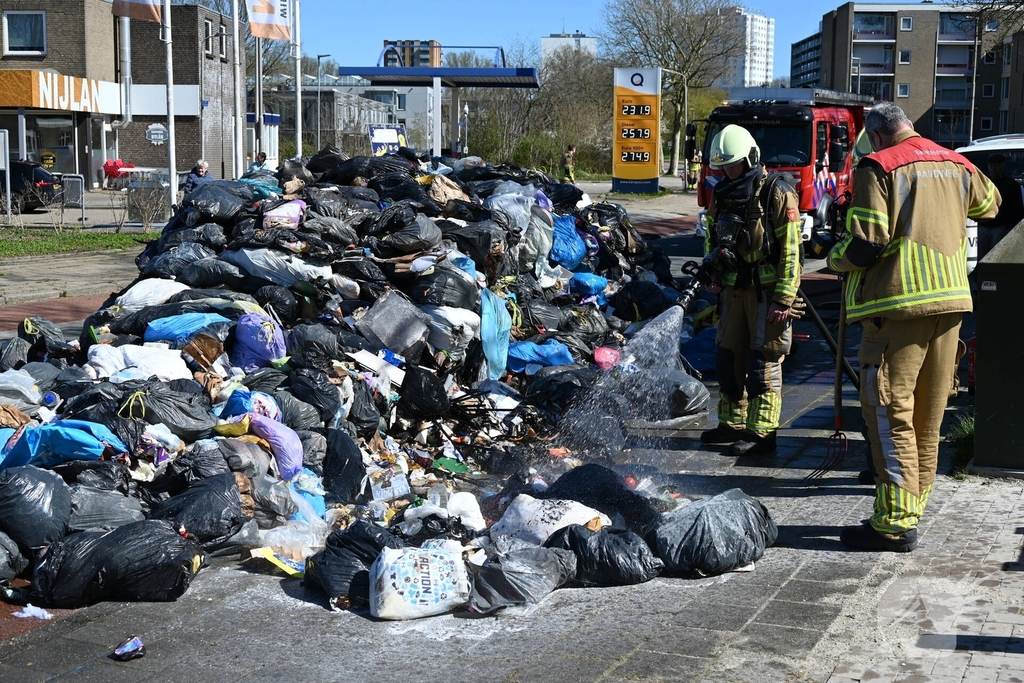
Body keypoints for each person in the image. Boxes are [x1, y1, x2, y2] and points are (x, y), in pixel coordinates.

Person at [827, 102, 1000, 552]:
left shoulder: (877, 165)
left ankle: (893, 523)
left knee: (887, 410)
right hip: (952, 304)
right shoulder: (956, 161)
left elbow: (868, 243)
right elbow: (992, 204)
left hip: (899, 306)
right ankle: (912, 507)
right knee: (928, 416)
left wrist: (834, 257)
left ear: (878, 135)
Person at [698, 124, 803, 456]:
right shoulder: (722, 193)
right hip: (731, 292)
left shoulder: (776, 192)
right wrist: (712, 272)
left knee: (762, 365)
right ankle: (732, 424)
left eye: (734, 165)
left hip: (767, 294)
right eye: (724, 167)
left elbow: (791, 249)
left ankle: (762, 434)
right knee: (727, 361)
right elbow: (712, 239)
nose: (729, 172)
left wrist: (785, 297)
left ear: (751, 158)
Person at [977, 153, 1024, 258]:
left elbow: (1018, 209)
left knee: (997, 257)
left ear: (1002, 166)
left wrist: (1005, 226)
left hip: (1000, 227)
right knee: (978, 257)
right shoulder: (984, 183)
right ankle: (979, 274)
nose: (993, 168)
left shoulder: (1012, 185)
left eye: (996, 165)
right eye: (991, 165)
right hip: (983, 225)